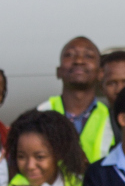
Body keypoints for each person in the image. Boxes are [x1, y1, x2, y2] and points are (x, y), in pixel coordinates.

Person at [40, 35, 114, 164]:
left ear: (100, 74)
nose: (79, 61)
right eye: (69, 55)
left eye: (88, 56)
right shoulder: (39, 115)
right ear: (58, 71)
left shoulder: (113, 120)